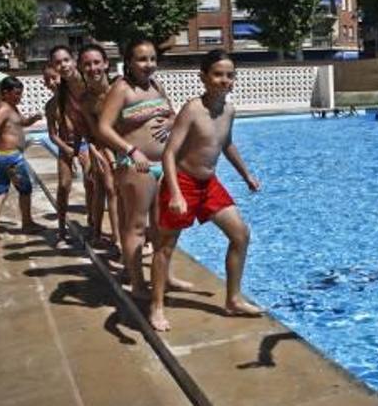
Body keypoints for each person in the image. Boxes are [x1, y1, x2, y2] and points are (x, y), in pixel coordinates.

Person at [156, 49, 263, 332]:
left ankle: (233, 299)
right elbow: (169, 153)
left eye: (229, 75)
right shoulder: (193, 109)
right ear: (203, 77)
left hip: (209, 183)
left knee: (240, 235)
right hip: (181, 181)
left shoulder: (229, 110)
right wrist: (176, 193)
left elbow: (226, 143)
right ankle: (156, 307)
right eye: (218, 74)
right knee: (165, 246)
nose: (224, 80)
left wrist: (246, 175)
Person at [97, 39, 193, 330]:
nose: (148, 64)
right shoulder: (121, 89)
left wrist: (173, 119)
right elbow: (103, 128)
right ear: (128, 61)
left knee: (162, 227)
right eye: (141, 59)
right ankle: (138, 282)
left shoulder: (156, 86)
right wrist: (130, 150)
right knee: (137, 227)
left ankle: (165, 277)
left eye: (152, 58)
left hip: (163, 166)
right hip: (136, 167)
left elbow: (173, 114)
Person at [0, 76, 43, 241]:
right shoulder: (4, 108)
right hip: (10, 158)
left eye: (21, 94)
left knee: (0, 190)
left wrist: (33, 119)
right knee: (25, 190)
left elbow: (21, 122)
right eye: (17, 94)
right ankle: (27, 223)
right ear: (5, 93)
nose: (20, 97)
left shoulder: (11, 107)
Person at [47, 46, 93, 243]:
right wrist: (66, 149)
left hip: (83, 144)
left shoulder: (79, 90)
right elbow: (52, 134)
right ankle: (61, 224)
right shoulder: (51, 106)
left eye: (66, 60)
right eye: (48, 80)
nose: (52, 83)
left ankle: (92, 220)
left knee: (91, 182)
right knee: (64, 185)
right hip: (66, 145)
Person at [77, 44, 120, 248]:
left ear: (106, 64)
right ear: (81, 68)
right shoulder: (85, 100)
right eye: (87, 64)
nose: (92, 68)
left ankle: (126, 235)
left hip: (127, 145)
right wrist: (97, 151)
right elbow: (95, 131)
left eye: (96, 62)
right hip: (104, 146)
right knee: (108, 187)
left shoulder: (119, 89)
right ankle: (117, 239)